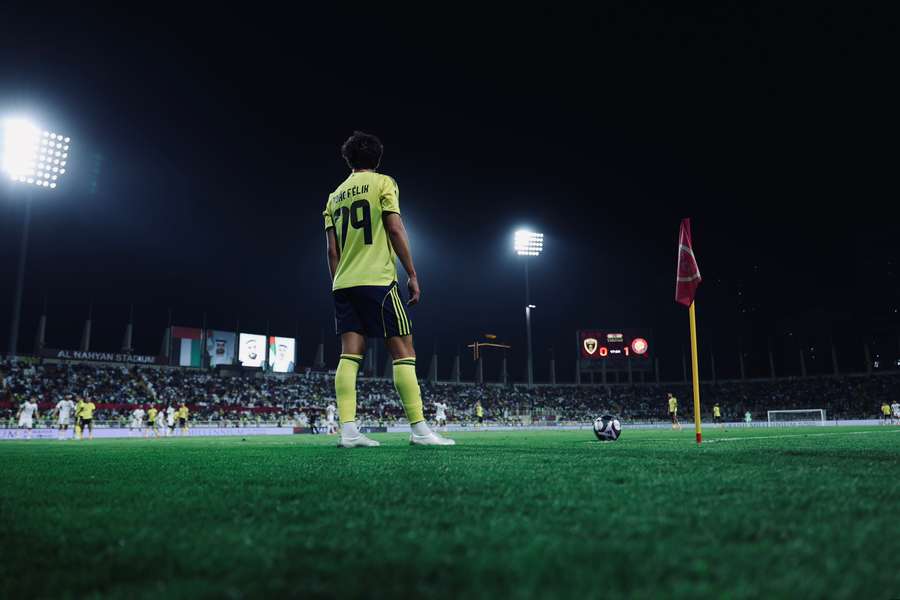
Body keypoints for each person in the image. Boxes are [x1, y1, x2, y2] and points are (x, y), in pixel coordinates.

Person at [323, 131, 453, 447]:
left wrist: (339, 283)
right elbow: (394, 227)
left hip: (343, 282)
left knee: (349, 354)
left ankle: (349, 431)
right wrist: (411, 273)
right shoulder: (383, 183)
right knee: (403, 351)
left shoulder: (334, 196)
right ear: (377, 159)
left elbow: (332, 251)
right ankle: (420, 430)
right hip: (378, 280)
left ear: (348, 159)